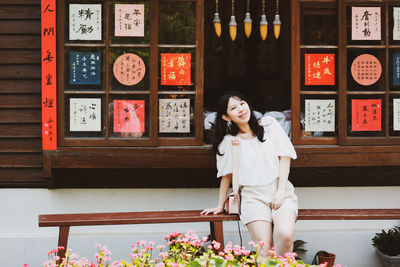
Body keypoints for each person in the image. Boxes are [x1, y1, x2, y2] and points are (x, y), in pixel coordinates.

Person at [201, 91, 298, 259]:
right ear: (226, 117)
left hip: (280, 192)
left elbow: (285, 157)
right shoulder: (229, 141)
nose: (240, 109)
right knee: (264, 247)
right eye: (233, 108)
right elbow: (226, 176)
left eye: (242, 103)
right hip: (252, 197)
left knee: (285, 235)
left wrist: (280, 191)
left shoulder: (269, 125)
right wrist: (219, 204)